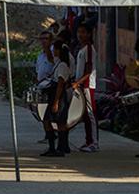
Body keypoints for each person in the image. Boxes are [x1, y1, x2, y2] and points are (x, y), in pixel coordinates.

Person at [41, 42, 73, 157]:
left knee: (54, 122)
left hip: (58, 96)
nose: (53, 51)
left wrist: (56, 102)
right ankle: (58, 147)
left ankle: (57, 147)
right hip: (55, 95)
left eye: (55, 49)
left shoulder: (63, 66)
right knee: (57, 122)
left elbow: (60, 84)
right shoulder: (58, 63)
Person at [72, 23, 98, 152]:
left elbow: (88, 70)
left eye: (83, 32)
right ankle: (88, 140)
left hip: (87, 85)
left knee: (90, 113)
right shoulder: (82, 49)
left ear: (89, 34)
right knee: (85, 115)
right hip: (82, 84)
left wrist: (79, 82)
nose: (80, 35)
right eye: (78, 32)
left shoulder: (88, 49)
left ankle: (93, 142)